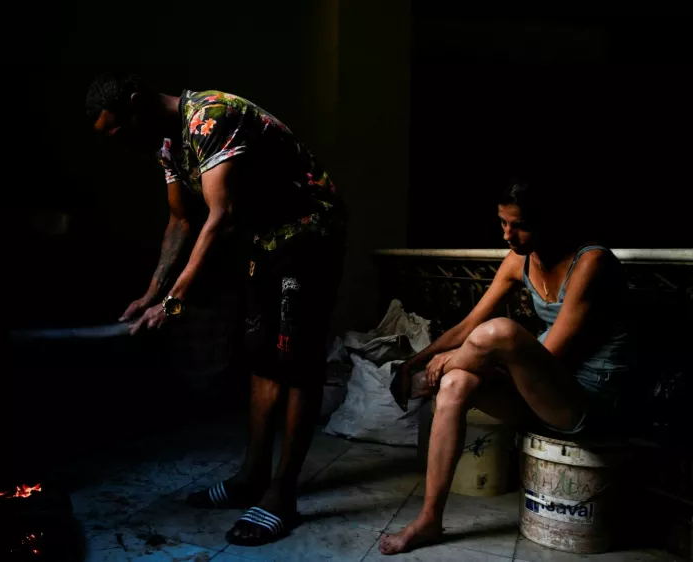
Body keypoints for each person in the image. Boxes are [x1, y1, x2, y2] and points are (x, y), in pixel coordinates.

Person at [87, 73, 347, 546]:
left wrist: (175, 303)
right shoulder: (169, 143)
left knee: (296, 360)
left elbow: (219, 216)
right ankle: (252, 476)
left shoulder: (211, 118)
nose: (120, 146)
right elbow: (181, 218)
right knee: (260, 355)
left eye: (119, 133)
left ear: (137, 105)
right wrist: (151, 293)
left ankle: (281, 495)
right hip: (265, 238)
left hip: (309, 234)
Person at [381, 177, 632, 554]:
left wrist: (458, 358)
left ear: (551, 222)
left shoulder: (590, 262)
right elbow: (468, 325)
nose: (508, 235)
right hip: (541, 396)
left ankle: (426, 382)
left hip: (588, 400)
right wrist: (414, 361)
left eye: (520, 225)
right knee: (457, 383)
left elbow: (553, 356)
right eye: (503, 223)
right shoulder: (520, 260)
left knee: (499, 331)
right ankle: (430, 519)